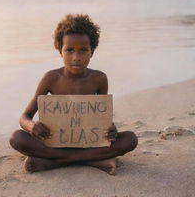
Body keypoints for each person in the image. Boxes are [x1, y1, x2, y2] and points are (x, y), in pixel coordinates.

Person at [9, 14, 138, 175]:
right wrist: (32, 126)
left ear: (92, 52)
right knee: (16, 137)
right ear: (60, 51)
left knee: (130, 139)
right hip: (54, 142)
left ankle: (55, 162)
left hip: (87, 142)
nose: (76, 57)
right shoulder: (51, 78)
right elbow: (25, 116)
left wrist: (110, 129)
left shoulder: (99, 79)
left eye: (83, 50)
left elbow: (102, 116)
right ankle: (93, 160)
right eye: (69, 50)